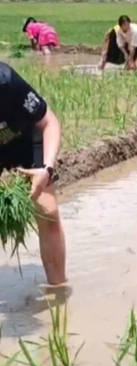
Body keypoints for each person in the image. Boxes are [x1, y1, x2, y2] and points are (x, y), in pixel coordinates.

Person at [0, 62, 66, 286]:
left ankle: (58, 290)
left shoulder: (7, 81)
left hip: (25, 139)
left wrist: (46, 169)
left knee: (48, 211)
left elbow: (49, 123)